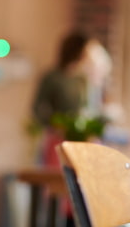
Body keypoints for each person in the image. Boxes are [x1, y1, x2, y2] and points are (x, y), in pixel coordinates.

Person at [32, 31, 106, 166]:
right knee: (57, 179)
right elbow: (37, 108)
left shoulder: (84, 79)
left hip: (83, 139)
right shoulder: (52, 77)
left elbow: (91, 108)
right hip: (58, 139)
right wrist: (54, 125)